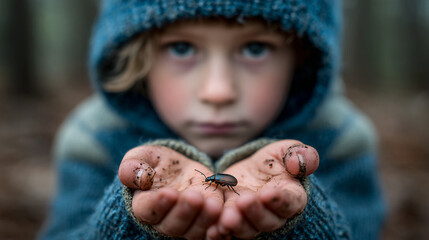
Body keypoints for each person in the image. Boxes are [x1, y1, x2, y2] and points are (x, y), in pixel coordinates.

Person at [38, 0, 386, 239]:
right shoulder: (93, 140)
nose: (218, 91)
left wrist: (300, 222)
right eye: (182, 48)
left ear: (303, 58)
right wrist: (128, 225)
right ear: (135, 54)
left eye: (255, 48)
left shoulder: (340, 140)